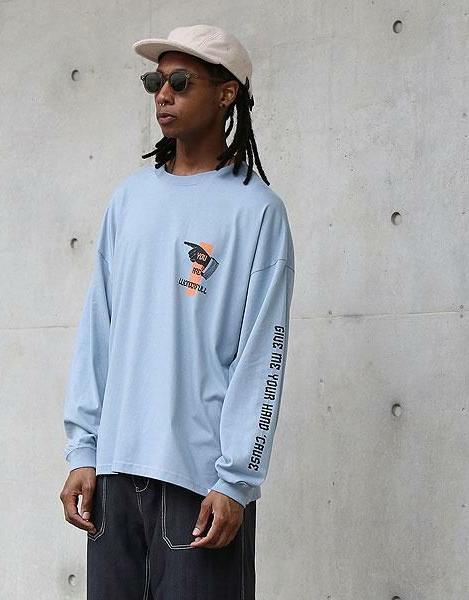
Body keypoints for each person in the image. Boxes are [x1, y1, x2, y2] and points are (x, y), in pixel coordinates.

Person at [59, 24, 295, 600]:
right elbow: (98, 331)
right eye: (155, 82)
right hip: (114, 477)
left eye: (180, 82)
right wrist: (83, 449)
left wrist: (236, 480)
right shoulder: (129, 200)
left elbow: (263, 354)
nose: (162, 95)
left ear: (226, 93)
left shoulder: (256, 212)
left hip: (199, 485)